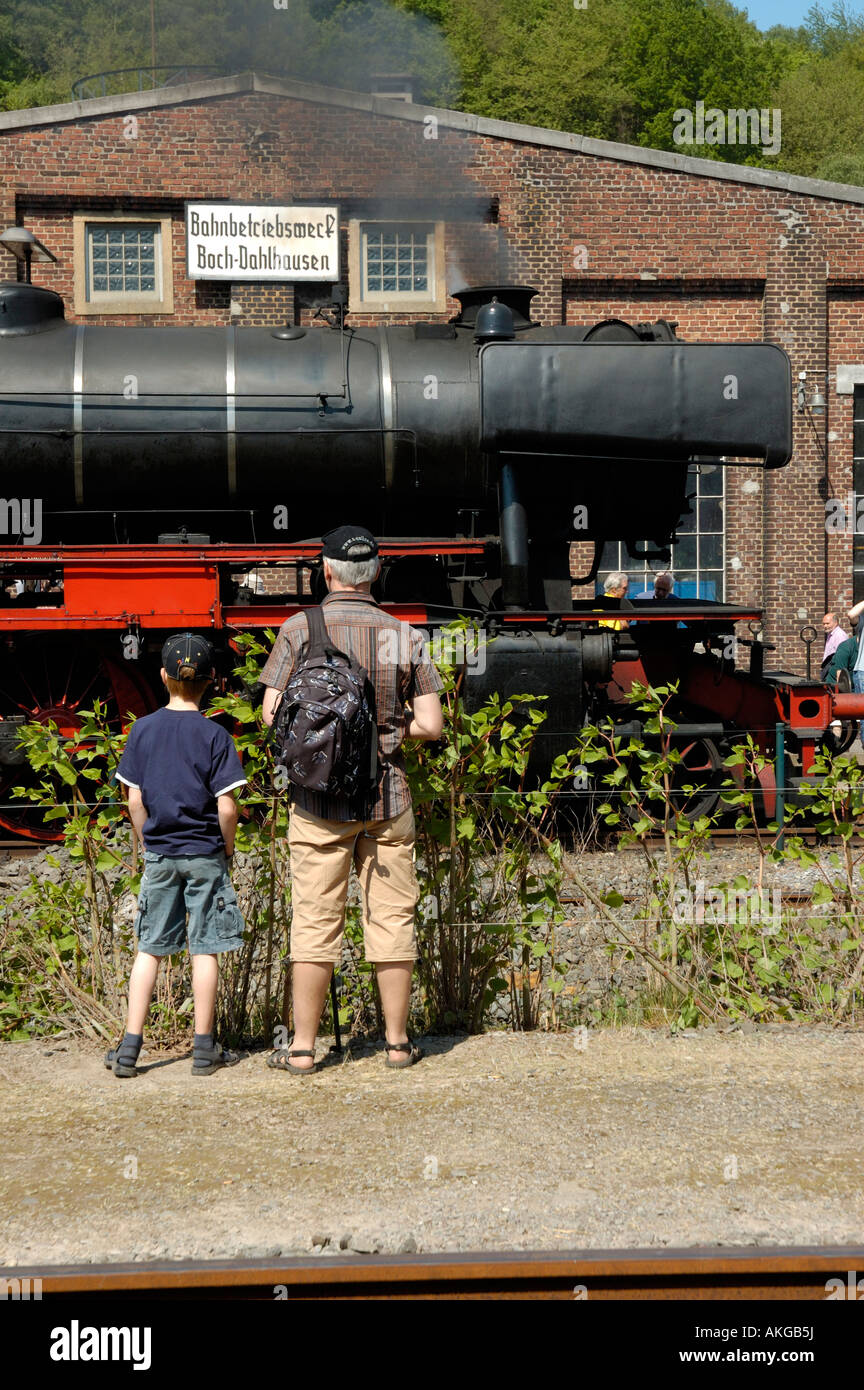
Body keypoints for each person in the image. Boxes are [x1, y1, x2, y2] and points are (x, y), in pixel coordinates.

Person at [260, 525, 444, 1075]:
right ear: (377, 574)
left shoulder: (298, 629)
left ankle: (302, 1049)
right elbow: (432, 725)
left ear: (328, 571)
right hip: (386, 800)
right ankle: (395, 1043)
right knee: (391, 918)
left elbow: (272, 714)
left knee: (314, 920)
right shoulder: (403, 635)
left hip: (317, 804)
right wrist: (384, 733)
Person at [105, 633, 247, 1079]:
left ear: (162, 676)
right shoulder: (216, 735)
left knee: (149, 949)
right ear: (212, 681)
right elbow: (227, 806)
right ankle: (204, 1050)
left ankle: (129, 1050)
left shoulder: (142, 730)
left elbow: (133, 801)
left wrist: (146, 839)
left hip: (161, 854)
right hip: (205, 853)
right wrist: (226, 846)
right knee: (205, 949)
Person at [821, 612, 848, 682]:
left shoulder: (840, 635)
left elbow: (842, 657)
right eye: (823, 624)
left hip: (834, 672)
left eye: (827, 623)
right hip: (829, 669)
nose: (825, 626)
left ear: (835, 623)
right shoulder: (831, 634)